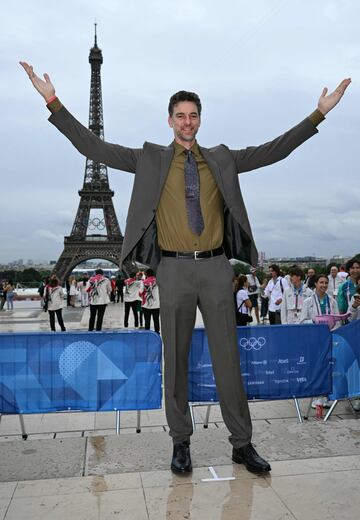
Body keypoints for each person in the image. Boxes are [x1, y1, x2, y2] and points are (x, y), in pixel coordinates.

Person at [20, 60, 350, 475]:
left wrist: (320, 112)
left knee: (228, 360)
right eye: (180, 115)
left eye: (193, 115)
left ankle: (241, 443)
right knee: (174, 360)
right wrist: (52, 102)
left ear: (200, 119)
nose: (187, 122)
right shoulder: (150, 158)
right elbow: (93, 148)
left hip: (215, 268)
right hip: (172, 270)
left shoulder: (221, 159)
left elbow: (274, 150)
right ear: (170, 120)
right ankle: (181, 443)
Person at [300, 273, 340, 409]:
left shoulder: (332, 302)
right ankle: (316, 397)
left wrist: (334, 330)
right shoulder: (307, 302)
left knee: (328, 368)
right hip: (314, 340)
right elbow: (301, 321)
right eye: (321, 282)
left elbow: (338, 321)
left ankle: (325, 396)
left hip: (329, 339)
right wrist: (315, 321)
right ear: (315, 284)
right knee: (316, 368)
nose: (324, 285)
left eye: (326, 283)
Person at [139, 268, 160, 333]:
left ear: (146, 274)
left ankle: (147, 335)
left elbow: (140, 292)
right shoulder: (158, 281)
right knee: (156, 320)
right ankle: (157, 334)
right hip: (156, 305)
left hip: (146, 305)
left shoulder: (143, 282)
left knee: (147, 321)